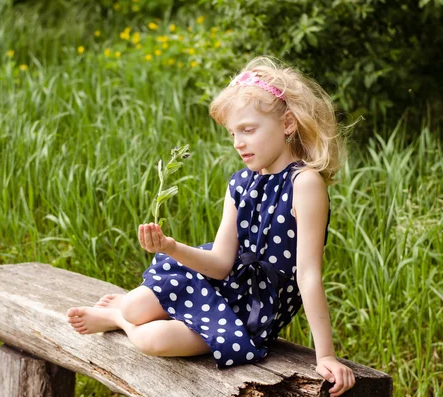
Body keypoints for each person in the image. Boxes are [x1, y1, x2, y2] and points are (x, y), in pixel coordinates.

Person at [67, 56, 356, 397]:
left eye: (248, 130)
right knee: (134, 306)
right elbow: (220, 264)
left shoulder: (304, 184)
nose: (238, 142)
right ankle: (123, 311)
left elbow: (308, 275)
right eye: (233, 133)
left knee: (151, 339)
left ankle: (117, 320)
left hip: (251, 310)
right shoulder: (240, 184)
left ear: (288, 124)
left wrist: (326, 355)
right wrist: (169, 248)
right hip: (221, 283)